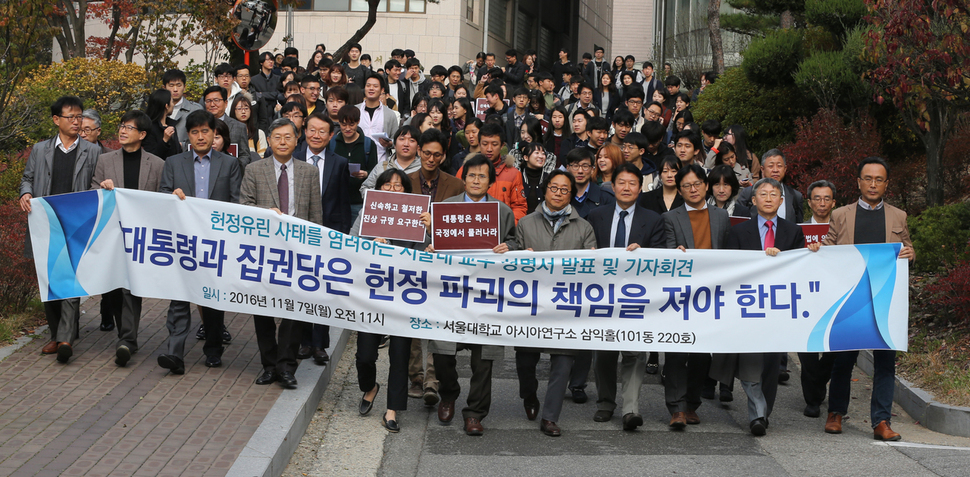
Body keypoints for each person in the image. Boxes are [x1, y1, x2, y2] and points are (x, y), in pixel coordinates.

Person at [819, 157, 915, 441]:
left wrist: (911, 253)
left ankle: (881, 421)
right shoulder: (841, 215)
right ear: (858, 181)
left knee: (885, 361)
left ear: (886, 184)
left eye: (879, 179)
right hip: (849, 297)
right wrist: (816, 250)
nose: (873, 184)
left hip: (885, 299)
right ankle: (836, 412)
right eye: (868, 178)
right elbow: (827, 250)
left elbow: (907, 247)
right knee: (843, 359)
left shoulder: (899, 216)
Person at [427, 154, 518, 435]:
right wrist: (431, 249)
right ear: (463, 178)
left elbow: (514, 240)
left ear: (490, 181)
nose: (476, 181)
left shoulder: (502, 211)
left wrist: (509, 248)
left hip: (487, 294)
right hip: (451, 293)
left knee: (484, 358)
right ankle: (450, 393)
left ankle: (475, 413)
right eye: (471, 175)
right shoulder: (445, 208)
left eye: (482, 176)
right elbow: (433, 244)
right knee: (442, 353)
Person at [710, 177, 806, 436]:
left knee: (772, 364)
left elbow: (802, 269)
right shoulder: (739, 232)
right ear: (753, 201)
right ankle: (757, 413)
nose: (768, 198)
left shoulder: (793, 232)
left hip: (778, 308)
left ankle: (765, 412)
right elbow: (731, 268)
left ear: (781, 200)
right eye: (762, 194)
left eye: (773, 194)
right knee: (751, 361)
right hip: (748, 306)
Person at [239, 117, 322, 390]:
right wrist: (266, 215)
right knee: (262, 309)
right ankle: (269, 364)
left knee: (292, 311)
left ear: (297, 140)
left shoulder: (309, 172)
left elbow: (315, 216)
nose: (283, 141)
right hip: (263, 250)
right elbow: (245, 208)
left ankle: (287, 367)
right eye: (277, 137)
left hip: (297, 252)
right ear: (269, 140)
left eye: (288, 136)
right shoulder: (254, 169)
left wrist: (313, 251)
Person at [157, 110, 242, 375]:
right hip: (183, 240)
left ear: (215, 133)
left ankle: (214, 350)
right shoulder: (173, 162)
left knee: (212, 299)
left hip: (216, 243)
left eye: (206, 131)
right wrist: (172, 196)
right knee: (179, 297)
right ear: (188, 136)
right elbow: (161, 197)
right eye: (195, 132)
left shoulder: (229, 164)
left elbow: (237, 202)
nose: (201, 136)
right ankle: (175, 352)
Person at [515, 169, 597, 436]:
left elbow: (592, 270)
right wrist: (518, 256)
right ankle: (529, 395)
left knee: (563, 361)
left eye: (565, 190)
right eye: (554, 188)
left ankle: (550, 417)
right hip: (531, 306)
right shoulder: (526, 224)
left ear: (571, 194)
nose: (559, 193)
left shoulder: (584, 227)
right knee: (525, 361)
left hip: (566, 307)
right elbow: (511, 266)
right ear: (545, 189)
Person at [19, 96, 101, 362]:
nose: (77, 122)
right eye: (71, 117)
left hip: (76, 223)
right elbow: (27, 178)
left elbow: (96, 184)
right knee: (48, 278)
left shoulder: (92, 151)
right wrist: (26, 193)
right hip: (45, 223)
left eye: (79, 117)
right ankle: (56, 334)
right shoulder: (40, 149)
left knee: (70, 277)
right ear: (56, 120)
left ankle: (66, 337)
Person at [588, 163, 666, 430]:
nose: (626, 187)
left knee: (635, 351)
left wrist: (643, 252)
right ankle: (605, 403)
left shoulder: (653, 219)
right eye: (621, 182)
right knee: (605, 353)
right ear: (612, 185)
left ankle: (631, 409)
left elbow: (661, 259)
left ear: (640, 188)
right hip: (603, 295)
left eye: (632, 183)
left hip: (637, 296)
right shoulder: (596, 216)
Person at [89, 110, 165, 366]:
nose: (122, 131)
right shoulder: (105, 161)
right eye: (122, 126)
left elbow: (161, 201)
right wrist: (102, 188)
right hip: (110, 235)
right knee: (112, 290)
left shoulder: (156, 164)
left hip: (140, 237)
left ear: (142, 134)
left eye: (129, 128)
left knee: (132, 287)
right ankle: (125, 334)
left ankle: (127, 340)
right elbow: (92, 192)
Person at [661, 164, 730, 429]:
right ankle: (676, 408)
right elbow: (666, 251)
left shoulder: (721, 216)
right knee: (677, 351)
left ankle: (692, 404)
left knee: (702, 354)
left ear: (706, 185)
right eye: (687, 186)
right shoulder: (671, 217)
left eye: (697, 184)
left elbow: (727, 252)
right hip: (680, 294)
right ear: (679, 190)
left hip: (711, 293)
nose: (693, 189)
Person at [350, 168, 416, 433]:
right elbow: (349, 245)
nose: (393, 189)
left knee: (400, 354)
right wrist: (369, 243)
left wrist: (429, 229)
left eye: (399, 186)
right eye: (387, 185)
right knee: (365, 355)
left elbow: (429, 253)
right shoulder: (366, 214)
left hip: (405, 295)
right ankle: (370, 387)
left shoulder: (417, 218)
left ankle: (392, 410)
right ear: (377, 190)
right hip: (372, 294)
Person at [460, 122, 528, 222]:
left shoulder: (513, 174)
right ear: (479, 144)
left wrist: (506, 227)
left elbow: (519, 207)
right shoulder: (466, 170)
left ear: (502, 146)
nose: (489, 149)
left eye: (494, 144)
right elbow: (456, 201)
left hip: (501, 229)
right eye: (485, 144)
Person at [332, 105, 378, 221]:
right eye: (343, 124)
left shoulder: (368, 144)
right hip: (336, 200)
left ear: (358, 122)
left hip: (359, 201)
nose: (347, 128)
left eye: (351, 124)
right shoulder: (332, 144)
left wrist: (365, 174)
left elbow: (374, 171)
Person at [737, 149, 804, 223]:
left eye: (779, 166)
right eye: (771, 166)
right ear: (762, 169)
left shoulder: (795, 196)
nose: (775, 170)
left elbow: (799, 228)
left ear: (785, 169)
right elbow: (739, 224)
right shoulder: (747, 193)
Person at [360, 125, 422, 193]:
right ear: (394, 145)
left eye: (411, 140)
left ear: (418, 147)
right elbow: (364, 188)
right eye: (402, 139)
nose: (406, 144)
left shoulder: (423, 169)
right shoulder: (382, 167)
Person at [202, 85, 252, 165]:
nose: (212, 104)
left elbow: (245, 155)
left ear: (226, 103)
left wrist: (234, 168)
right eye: (208, 101)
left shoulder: (239, 127)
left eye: (216, 100)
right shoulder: (198, 126)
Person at [358, 74, 399, 162]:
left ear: (382, 90)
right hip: (357, 159)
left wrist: (389, 143)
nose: (371, 88)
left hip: (381, 161)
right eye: (368, 85)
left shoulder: (390, 114)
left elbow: (396, 140)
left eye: (375, 86)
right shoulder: (355, 110)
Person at [565, 147, 615, 219]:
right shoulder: (560, 195)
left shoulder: (606, 197)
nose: (580, 171)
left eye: (585, 166)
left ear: (592, 170)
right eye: (575, 166)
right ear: (568, 168)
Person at [164, 69, 203, 145]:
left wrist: (183, 145)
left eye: (179, 85)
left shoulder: (195, 109)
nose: (175, 90)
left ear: (184, 87)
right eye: (171, 86)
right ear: (164, 87)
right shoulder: (158, 108)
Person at [142, 89, 182, 160]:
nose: (173, 105)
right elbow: (150, 157)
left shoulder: (171, 125)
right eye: (172, 102)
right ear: (166, 106)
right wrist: (164, 141)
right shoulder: (149, 128)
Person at [517, 142, 555, 214]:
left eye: (543, 153)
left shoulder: (550, 178)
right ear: (526, 157)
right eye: (537, 153)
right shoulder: (517, 178)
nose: (541, 156)